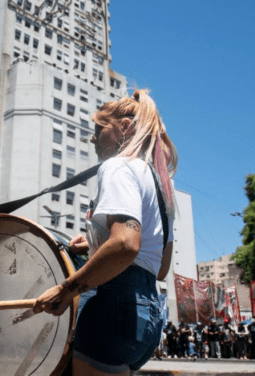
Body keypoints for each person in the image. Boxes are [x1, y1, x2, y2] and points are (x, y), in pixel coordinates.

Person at [33, 89, 178, 375]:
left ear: (123, 128)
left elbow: (125, 245)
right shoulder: (161, 187)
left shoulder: (117, 167)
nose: (91, 138)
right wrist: (94, 243)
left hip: (111, 306)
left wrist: (66, 289)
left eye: (98, 129)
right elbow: (160, 267)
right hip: (146, 316)